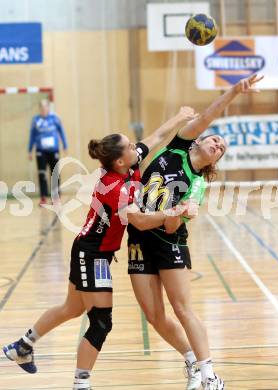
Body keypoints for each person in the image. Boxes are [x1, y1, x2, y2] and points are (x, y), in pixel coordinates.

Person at [3, 107, 197, 390]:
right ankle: (81, 383)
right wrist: (174, 212)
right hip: (90, 253)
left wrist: (181, 118)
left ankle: (22, 346)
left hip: (92, 251)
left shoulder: (126, 164)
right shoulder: (114, 187)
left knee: (71, 308)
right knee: (101, 322)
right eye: (131, 146)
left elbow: (155, 137)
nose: (136, 147)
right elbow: (140, 222)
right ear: (120, 160)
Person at [127, 74, 264, 390]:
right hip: (138, 239)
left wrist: (175, 214)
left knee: (182, 309)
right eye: (215, 139)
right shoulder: (177, 147)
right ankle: (191, 360)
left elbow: (172, 224)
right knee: (154, 316)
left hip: (168, 242)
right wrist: (233, 91)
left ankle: (211, 376)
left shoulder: (198, 183)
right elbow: (206, 116)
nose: (218, 144)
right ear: (199, 140)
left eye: (222, 148)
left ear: (215, 160)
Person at [28, 99, 68, 206]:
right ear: (39, 109)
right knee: (42, 174)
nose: (43, 109)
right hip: (41, 151)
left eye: (45, 107)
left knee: (55, 173)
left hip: (53, 150)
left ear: (48, 108)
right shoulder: (36, 120)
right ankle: (43, 197)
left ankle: (56, 197)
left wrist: (65, 145)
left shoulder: (55, 118)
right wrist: (29, 150)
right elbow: (32, 135)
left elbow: (61, 132)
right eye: (41, 107)